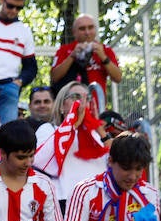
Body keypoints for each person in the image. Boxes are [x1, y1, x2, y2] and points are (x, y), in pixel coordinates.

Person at [34, 82, 109, 213]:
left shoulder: (96, 136)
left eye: (87, 98)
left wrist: (99, 129)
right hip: (65, 203)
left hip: (99, 203)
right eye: (75, 97)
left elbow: (117, 161)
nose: (82, 102)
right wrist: (73, 124)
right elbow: (40, 161)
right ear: (62, 105)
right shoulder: (48, 129)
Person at [49, 14, 121, 93]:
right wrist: (72, 56)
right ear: (74, 32)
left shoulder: (106, 50)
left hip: (96, 102)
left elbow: (118, 78)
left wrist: (103, 57)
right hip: (71, 102)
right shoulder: (65, 50)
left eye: (90, 27)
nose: (87, 32)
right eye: (82, 29)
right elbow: (54, 77)